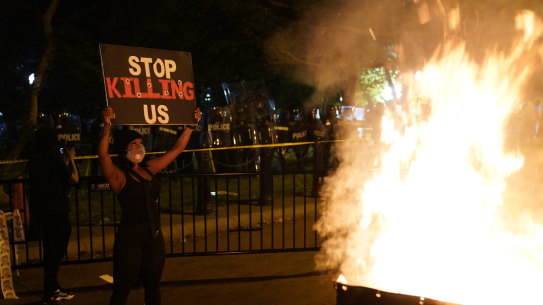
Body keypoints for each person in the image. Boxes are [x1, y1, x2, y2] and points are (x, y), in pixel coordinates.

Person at [98, 106, 201, 305]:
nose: (139, 148)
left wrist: (190, 126)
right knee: (123, 287)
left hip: (154, 236)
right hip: (130, 239)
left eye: (141, 143)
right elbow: (103, 156)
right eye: (133, 144)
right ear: (123, 149)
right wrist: (107, 126)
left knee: (153, 285)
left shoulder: (150, 168)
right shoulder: (118, 176)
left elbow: (177, 149)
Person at [27, 127, 79, 305]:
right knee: (55, 254)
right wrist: (71, 160)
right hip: (57, 211)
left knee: (50, 253)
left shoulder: (34, 161)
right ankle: (51, 292)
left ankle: (52, 288)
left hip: (43, 211)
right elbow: (74, 179)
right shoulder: (53, 160)